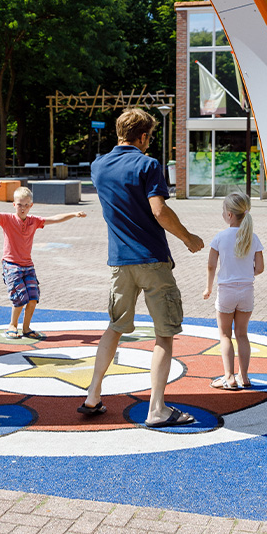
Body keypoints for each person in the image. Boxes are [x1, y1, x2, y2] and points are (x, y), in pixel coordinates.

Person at [82, 108, 204, 428]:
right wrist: (189, 238)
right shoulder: (148, 165)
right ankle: (157, 409)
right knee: (164, 334)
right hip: (152, 259)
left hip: (119, 263)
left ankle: (93, 395)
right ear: (144, 136)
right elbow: (159, 209)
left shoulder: (98, 166)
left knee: (115, 327)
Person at [0, 182, 86, 339]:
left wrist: (73, 214)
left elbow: (54, 219)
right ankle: (12, 325)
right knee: (20, 298)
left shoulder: (34, 221)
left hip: (28, 265)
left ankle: (26, 328)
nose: (23, 208)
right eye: (19, 205)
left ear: (31, 205)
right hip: (11, 264)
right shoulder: (7, 219)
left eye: (26, 205)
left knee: (33, 298)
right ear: (14, 205)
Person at [203, 191, 264, 389]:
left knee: (225, 335)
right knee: (242, 335)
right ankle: (244, 377)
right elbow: (260, 268)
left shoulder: (220, 237)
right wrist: (246, 274)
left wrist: (208, 288)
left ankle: (229, 377)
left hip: (226, 292)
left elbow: (211, 266)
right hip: (246, 291)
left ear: (229, 214)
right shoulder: (252, 237)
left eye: (223, 210)